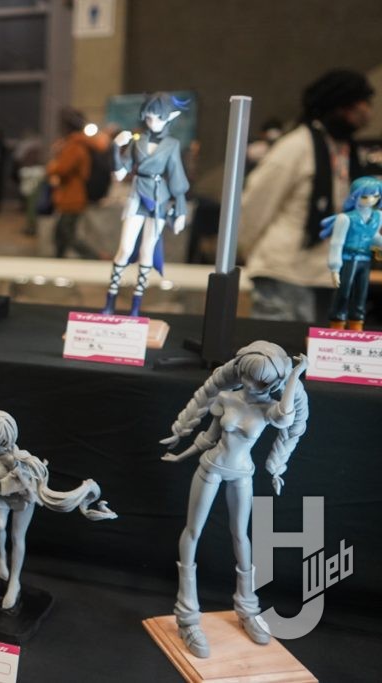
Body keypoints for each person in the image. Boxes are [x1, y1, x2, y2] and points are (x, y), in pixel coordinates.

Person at [161, 342, 309, 659]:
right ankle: (187, 614)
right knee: (193, 532)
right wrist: (181, 454)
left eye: (262, 381)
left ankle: (247, 607)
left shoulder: (269, 408)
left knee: (241, 536)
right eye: (248, 376)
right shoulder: (226, 398)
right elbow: (209, 437)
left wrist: (295, 375)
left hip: (242, 473)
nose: (253, 385)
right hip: (210, 468)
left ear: (275, 381)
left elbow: (286, 416)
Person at [0, 410, 116, 610]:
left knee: (17, 537)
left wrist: (21, 477)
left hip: (20, 498)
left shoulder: (14, 457)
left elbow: (26, 481)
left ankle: (14, 582)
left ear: (9, 438)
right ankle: (0, 556)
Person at [239, 69, 374, 322]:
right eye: (360, 105)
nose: (366, 112)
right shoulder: (295, 146)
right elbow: (255, 204)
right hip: (283, 270)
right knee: (277, 346)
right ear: (339, 106)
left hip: (327, 273)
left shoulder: (349, 152)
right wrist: (247, 250)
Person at [102, 93, 190, 316]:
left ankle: (136, 306)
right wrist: (115, 147)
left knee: (147, 251)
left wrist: (180, 211)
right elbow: (120, 173)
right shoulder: (137, 140)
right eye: (149, 117)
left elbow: (177, 178)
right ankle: (110, 300)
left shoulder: (172, 144)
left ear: (169, 117)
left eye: (158, 118)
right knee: (124, 249)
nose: (153, 122)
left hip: (159, 198)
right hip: (137, 195)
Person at [319, 176, 382, 330]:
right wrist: (335, 267)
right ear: (355, 196)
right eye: (365, 196)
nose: (370, 200)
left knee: (361, 293)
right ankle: (337, 322)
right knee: (344, 292)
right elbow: (337, 243)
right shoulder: (345, 218)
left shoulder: (377, 216)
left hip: (365, 258)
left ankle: (357, 322)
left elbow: (372, 236)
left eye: (375, 196)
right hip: (348, 258)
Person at [47, 108, 100, 259]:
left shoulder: (74, 145)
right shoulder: (79, 144)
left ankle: (94, 258)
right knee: (61, 234)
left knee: (66, 234)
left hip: (72, 196)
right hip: (72, 195)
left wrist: (52, 165)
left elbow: (62, 168)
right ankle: (59, 260)